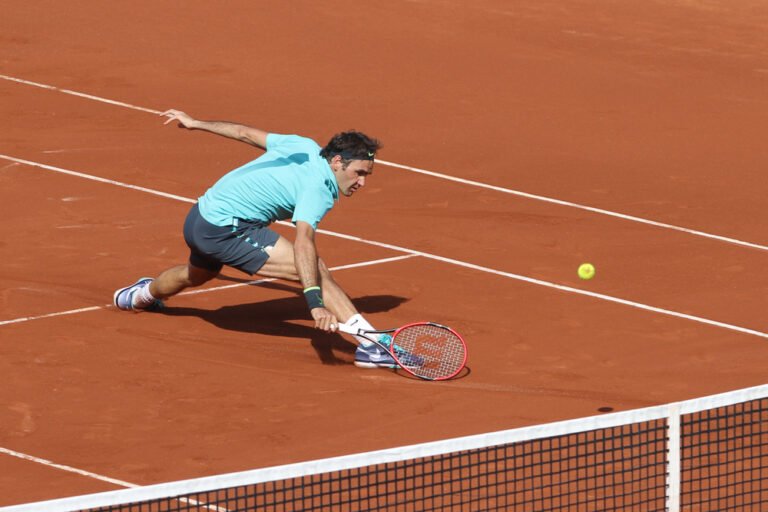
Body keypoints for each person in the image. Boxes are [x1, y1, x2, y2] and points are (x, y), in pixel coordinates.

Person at [113, 109, 411, 370]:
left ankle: (138, 297)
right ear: (336, 162)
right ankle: (372, 345)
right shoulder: (317, 189)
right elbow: (304, 243)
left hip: (200, 216)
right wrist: (315, 303)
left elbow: (243, 133)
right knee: (316, 270)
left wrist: (196, 123)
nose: (362, 182)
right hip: (227, 230)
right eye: (359, 173)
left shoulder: (303, 145)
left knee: (197, 275)